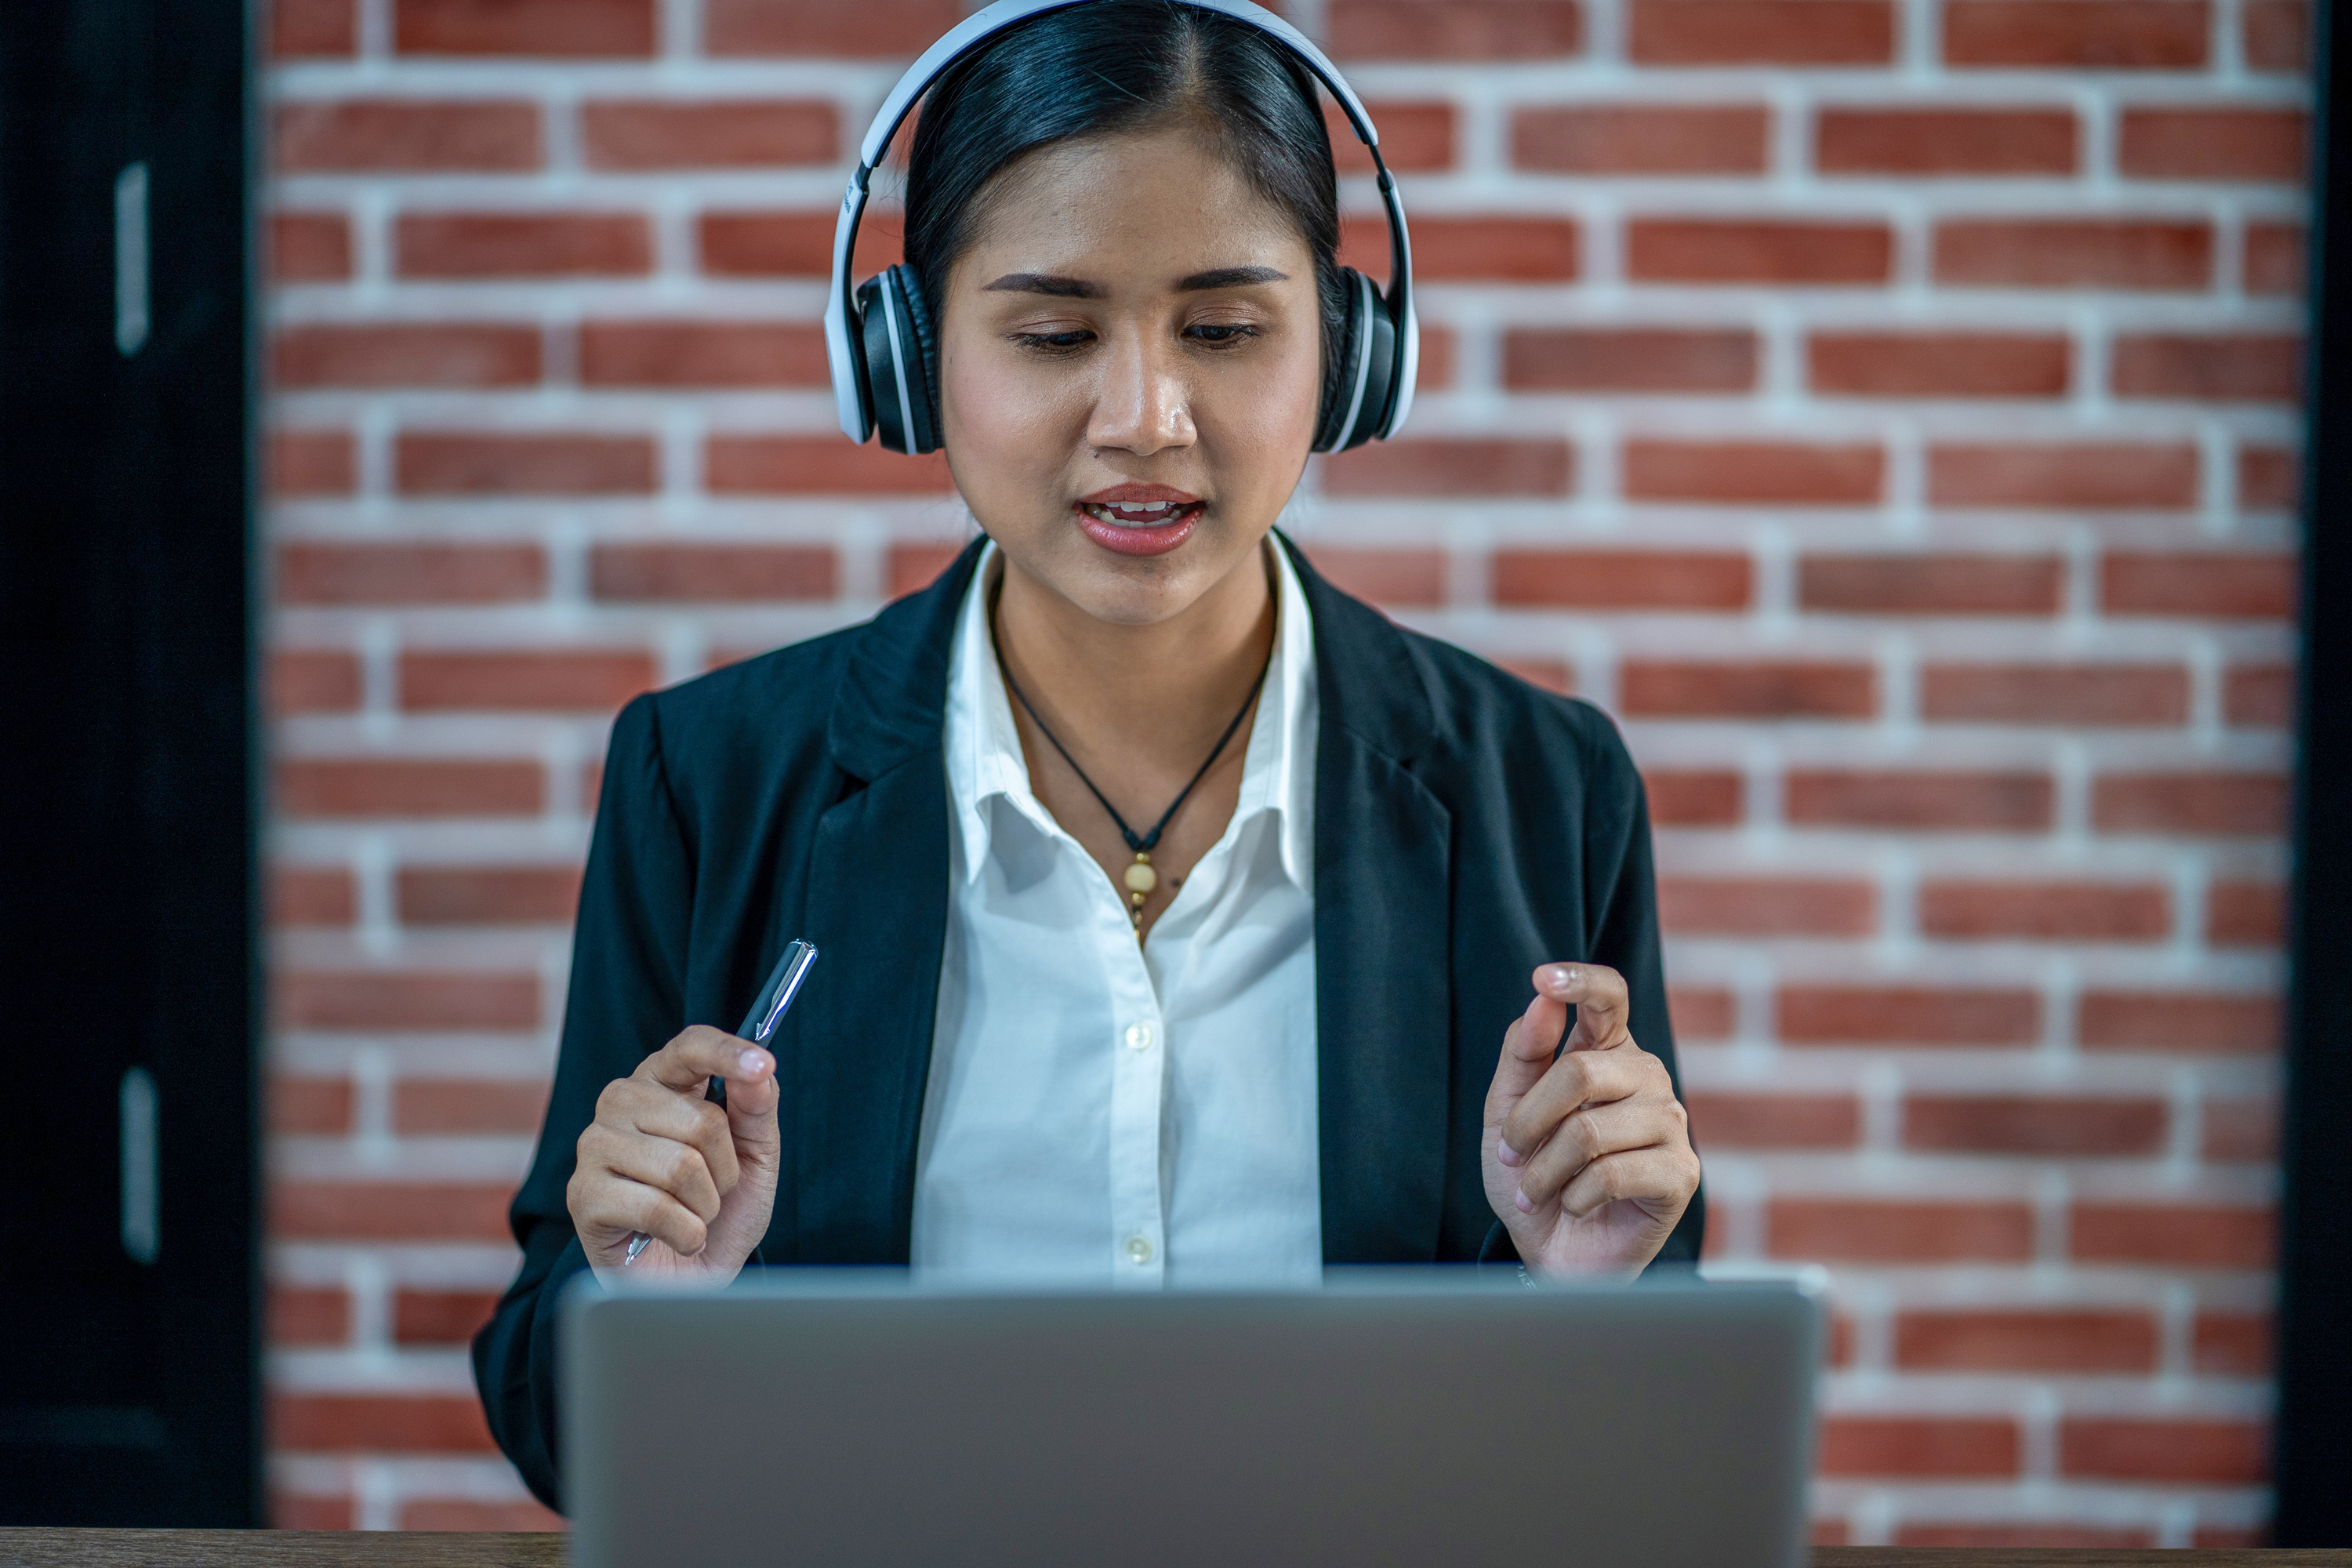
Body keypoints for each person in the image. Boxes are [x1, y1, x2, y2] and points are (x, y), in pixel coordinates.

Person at [474, 0, 1703, 1510]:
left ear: (1353, 347)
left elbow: (1629, 1463)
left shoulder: (1543, 787)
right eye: (1054, 334)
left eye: (1227, 329)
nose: (1144, 419)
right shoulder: (710, 777)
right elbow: (547, 1405)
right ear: (909, 358)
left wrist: (1581, 1311)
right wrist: (653, 1313)